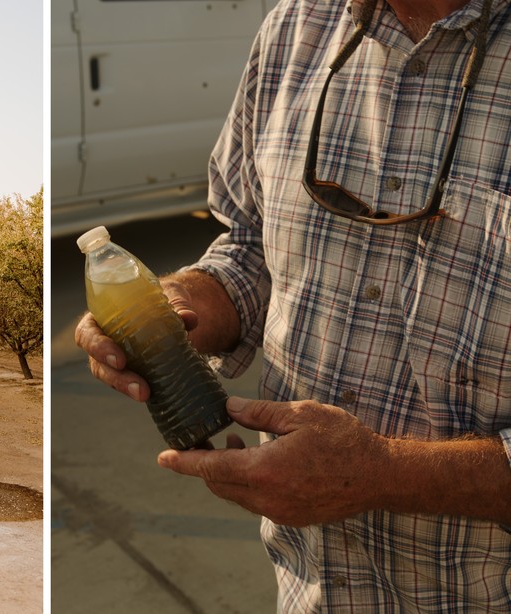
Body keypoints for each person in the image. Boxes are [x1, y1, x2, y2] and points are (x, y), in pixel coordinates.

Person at [75, 0, 511, 610]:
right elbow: (251, 243)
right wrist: (177, 306)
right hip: (314, 586)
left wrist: (384, 472)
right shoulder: (295, 27)